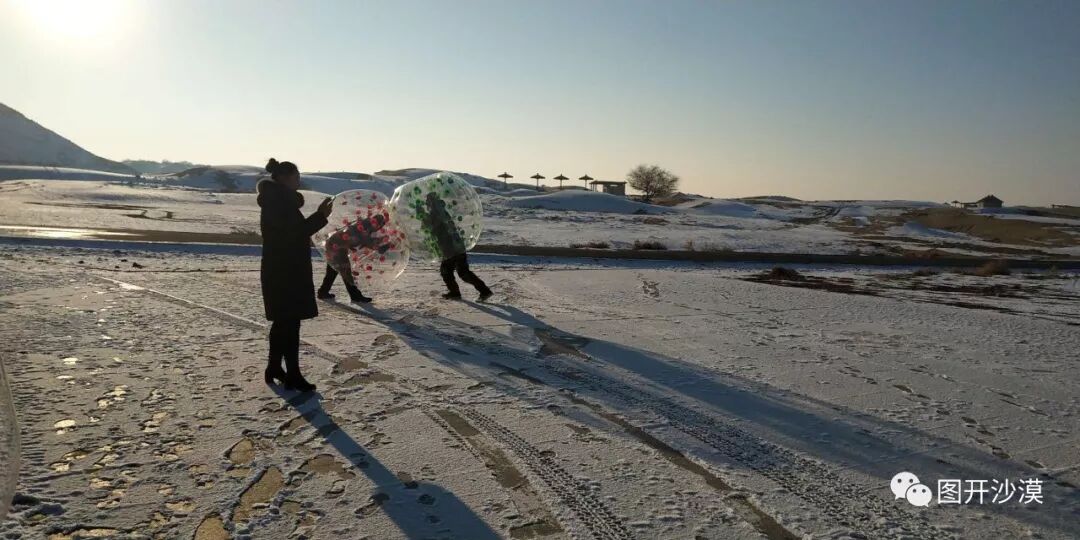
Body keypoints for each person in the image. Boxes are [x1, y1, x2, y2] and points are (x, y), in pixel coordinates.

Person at [257, 158, 332, 392]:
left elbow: (292, 233)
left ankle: (274, 368)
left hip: (283, 269)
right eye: (296, 176)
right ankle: (293, 374)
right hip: (284, 271)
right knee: (289, 324)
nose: (298, 180)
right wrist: (320, 216)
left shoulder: (279, 201)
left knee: (283, 323)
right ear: (283, 178)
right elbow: (294, 234)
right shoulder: (278, 202)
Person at [421, 192, 493, 301]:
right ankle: (484, 291)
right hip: (457, 246)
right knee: (463, 272)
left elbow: (432, 227)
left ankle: (456, 293)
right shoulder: (441, 211)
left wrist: (423, 216)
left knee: (446, 271)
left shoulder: (436, 213)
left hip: (450, 248)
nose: (427, 204)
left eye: (428, 202)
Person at [316, 213, 392, 303]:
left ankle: (323, 292)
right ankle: (355, 296)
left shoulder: (366, 225)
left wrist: (382, 241)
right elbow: (367, 241)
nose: (379, 228)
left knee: (333, 269)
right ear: (376, 223)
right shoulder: (365, 227)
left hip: (335, 245)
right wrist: (382, 247)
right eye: (380, 225)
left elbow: (364, 240)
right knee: (345, 271)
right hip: (336, 247)